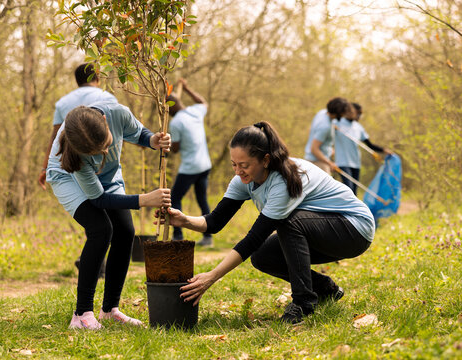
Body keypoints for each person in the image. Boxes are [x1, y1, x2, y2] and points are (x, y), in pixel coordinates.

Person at [158, 121, 375, 324]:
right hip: (326, 232)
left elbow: (254, 237)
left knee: (288, 222)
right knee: (262, 256)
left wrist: (211, 277)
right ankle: (325, 289)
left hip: (354, 229)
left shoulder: (285, 179)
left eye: (244, 165)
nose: (237, 171)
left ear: (265, 160)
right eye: (233, 164)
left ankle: (303, 302)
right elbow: (214, 222)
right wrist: (184, 220)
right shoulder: (244, 180)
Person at [46, 102, 171, 330]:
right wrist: (144, 200)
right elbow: (99, 200)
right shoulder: (74, 152)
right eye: (97, 152)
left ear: (105, 122)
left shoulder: (117, 112)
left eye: (104, 146)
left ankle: (110, 310)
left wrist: (153, 140)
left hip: (108, 176)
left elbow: (138, 133)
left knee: (125, 232)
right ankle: (82, 315)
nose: (105, 152)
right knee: (101, 230)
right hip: (66, 177)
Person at [39, 63, 117, 278]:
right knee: (103, 215)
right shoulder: (106, 96)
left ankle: (92, 263)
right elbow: (115, 133)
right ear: (97, 78)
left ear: (76, 81)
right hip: (101, 160)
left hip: (70, 165)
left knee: (93, 216)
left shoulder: (63, 102)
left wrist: (45, 167)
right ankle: (95, 265)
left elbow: (56, 137)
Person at [167, 79, 213, 246]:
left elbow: (175, 149)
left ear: (170, 107)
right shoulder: (195, 112)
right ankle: (208, 237)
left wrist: (167, 142)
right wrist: (187, 88)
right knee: (202, 199)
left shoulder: (176, 122)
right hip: (205, 165)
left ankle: (177, 235)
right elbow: (203, 102)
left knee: (174, 198)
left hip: (190, 168)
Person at [334, 102, 393, 195]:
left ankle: (351, 209)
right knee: (349, 189)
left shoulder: (358, 127)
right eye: (357, 113)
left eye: (360, 114)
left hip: (356, 162)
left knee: (354, 192)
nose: (359, 116)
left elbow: (369, 144)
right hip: (343, 162)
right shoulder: (337, 123)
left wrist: (383, 150)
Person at [303, 97, 350, 175]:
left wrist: (328, 148)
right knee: (329, 187)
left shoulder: (322, 113)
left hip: (312, 160)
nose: (344, 115)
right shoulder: (325, 127)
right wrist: (330, 163)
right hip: (318, 163)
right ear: (337, 113)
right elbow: (314, 149)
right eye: (343, 113)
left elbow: (313, 132)